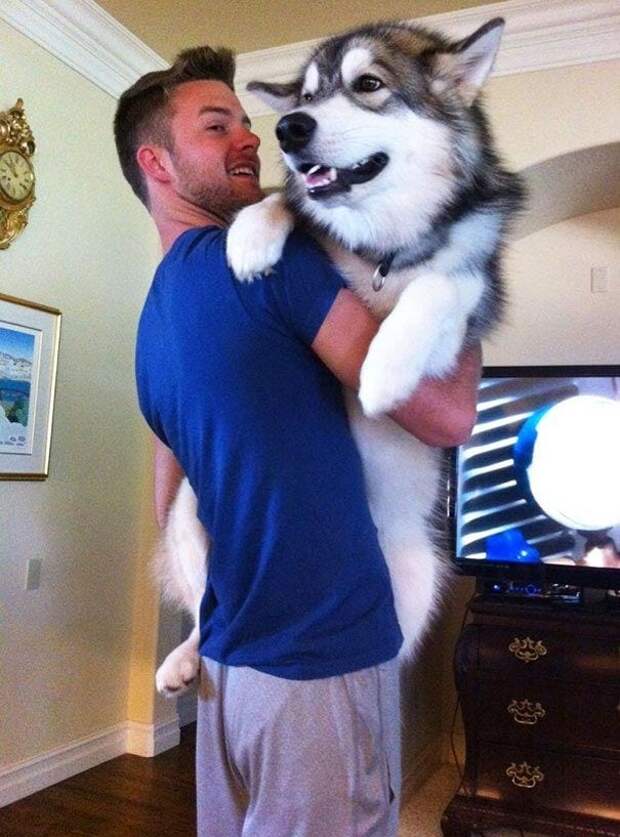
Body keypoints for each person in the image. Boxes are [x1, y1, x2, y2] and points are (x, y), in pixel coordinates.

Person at [114, 45, 481, 837]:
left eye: (247, 122)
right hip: (318, 657)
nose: (251, 136)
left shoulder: (150, 330)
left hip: (228, 664)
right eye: (217, 126)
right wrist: (463, 280)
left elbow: (169, 501)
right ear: (157, 163)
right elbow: (447, 416)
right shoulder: (271, 262)